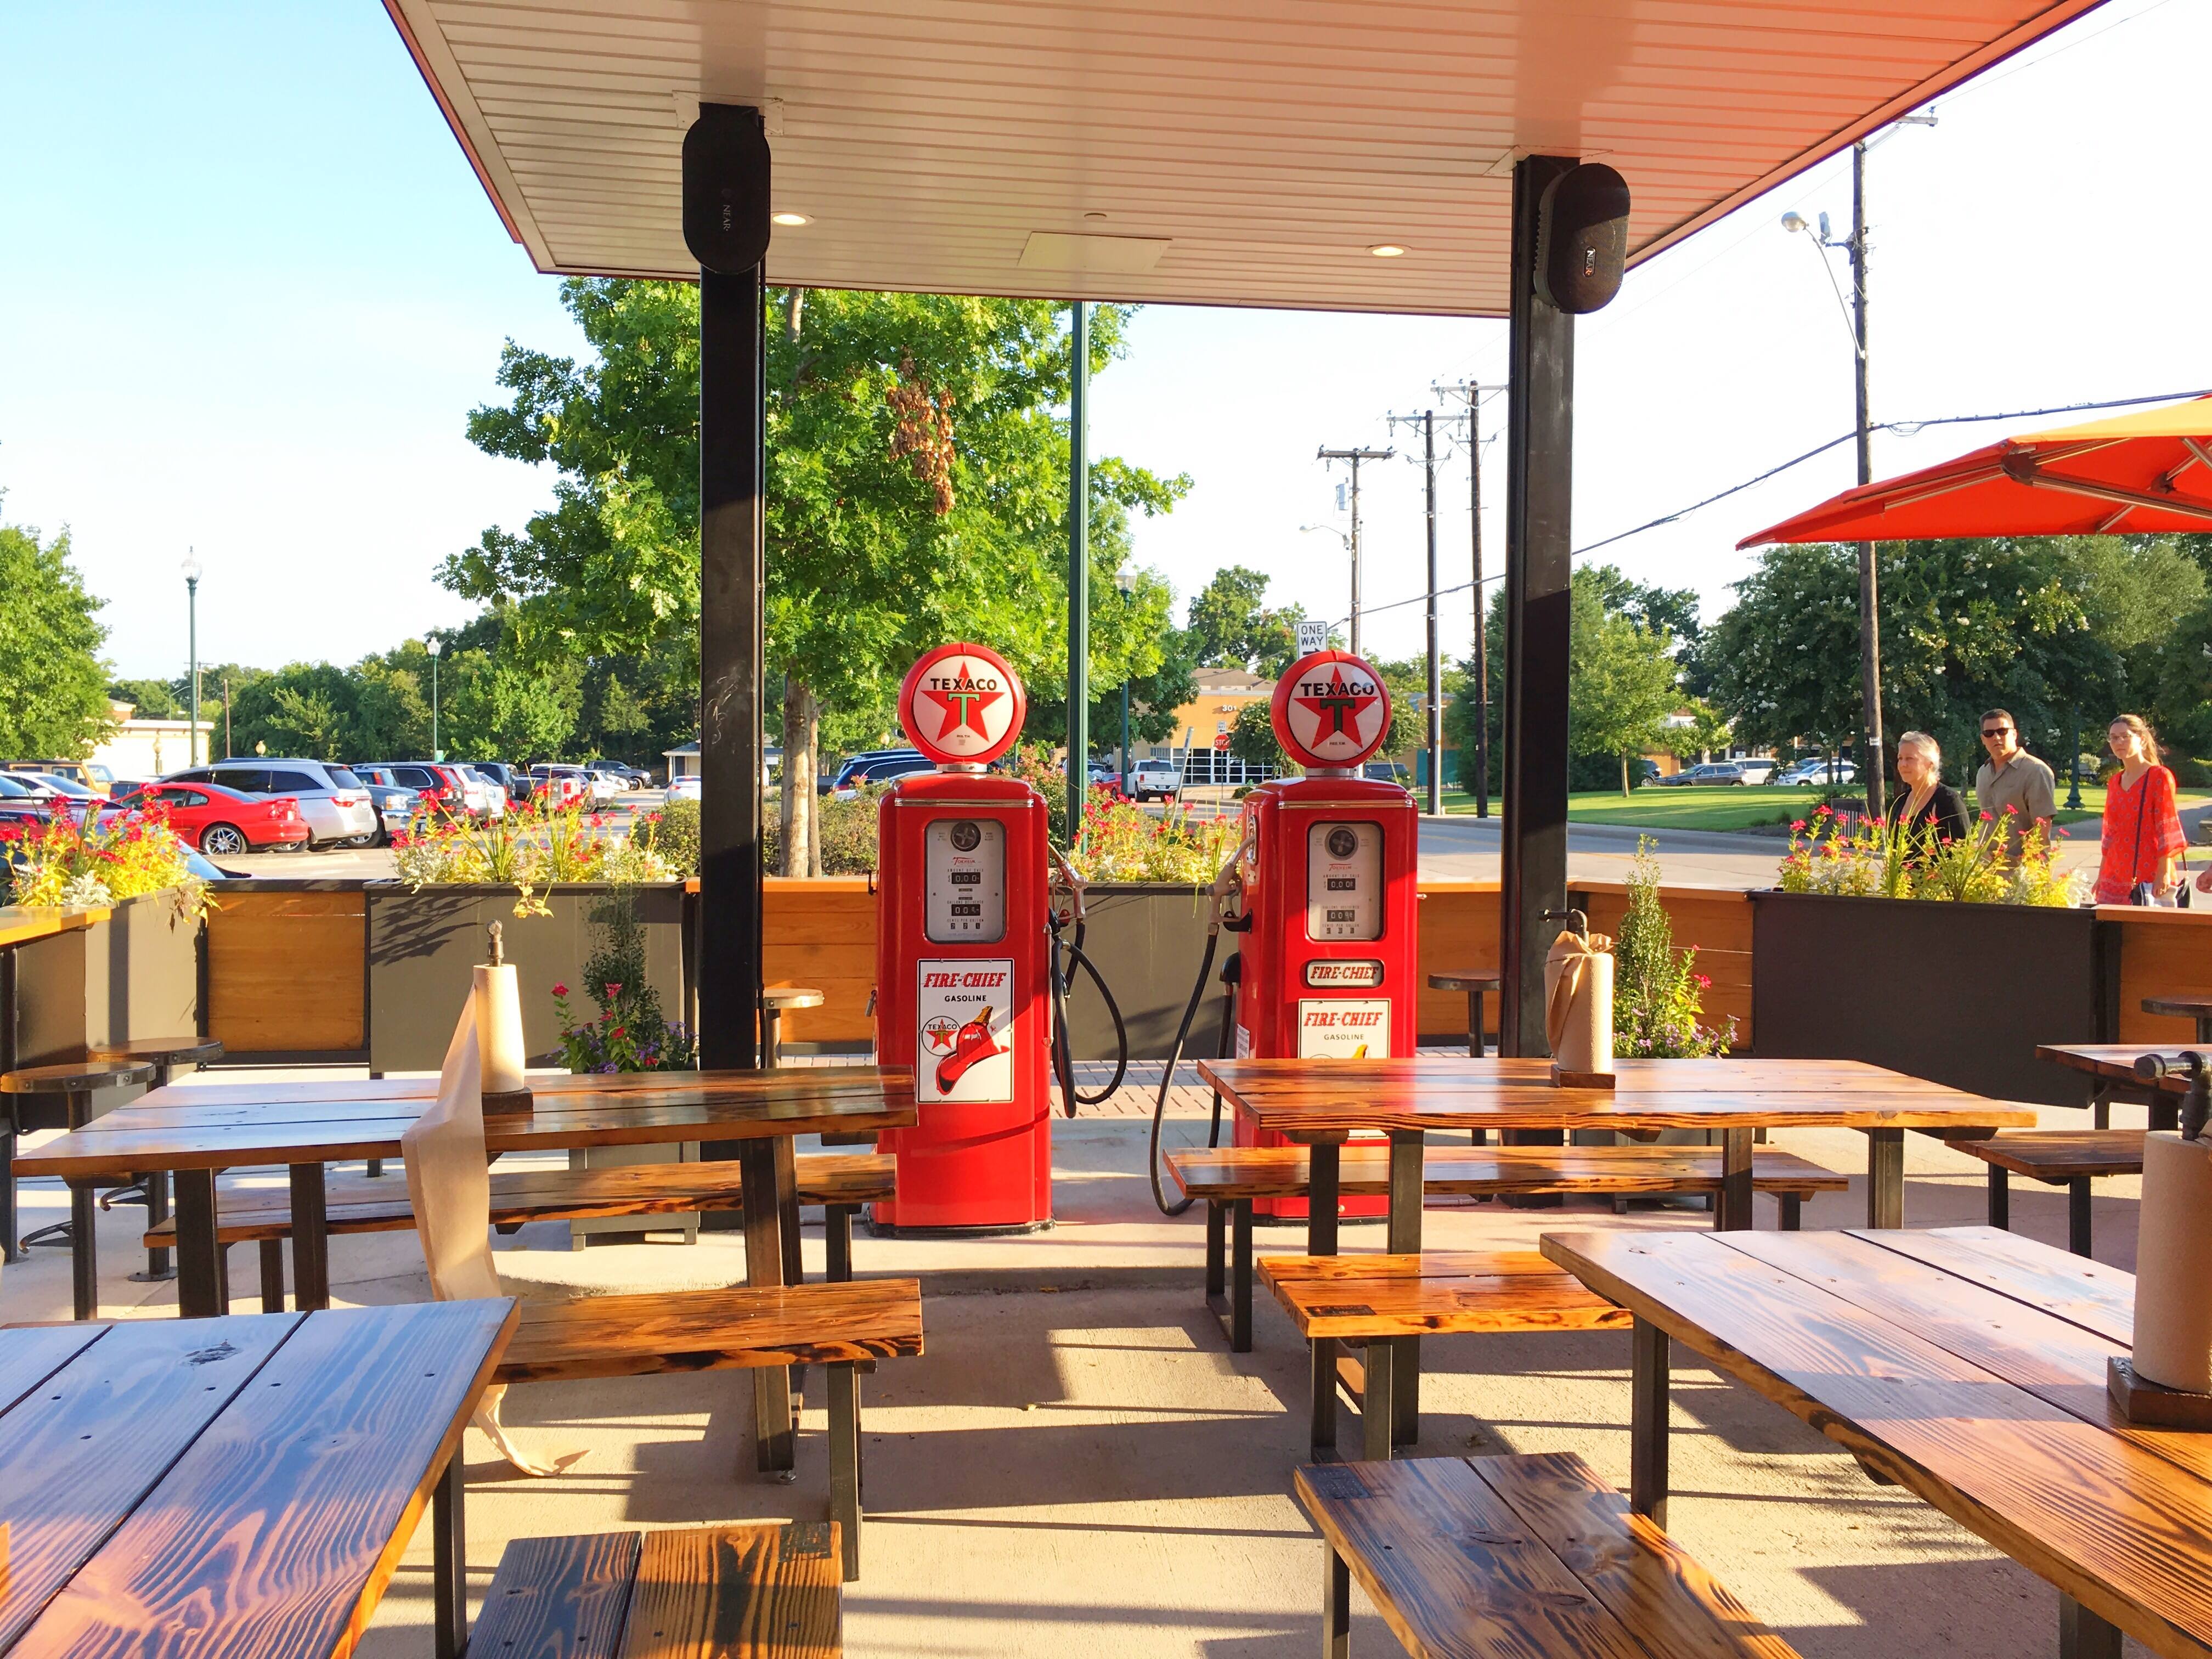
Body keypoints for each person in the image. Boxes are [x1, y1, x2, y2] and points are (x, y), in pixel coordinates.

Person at [2094, 713, 2185, 905]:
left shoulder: (2159, 776)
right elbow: (2109, 834)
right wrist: (2101, 876)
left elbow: (2166, 829)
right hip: (2115, 873)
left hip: (2148, 871)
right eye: (2113, 737)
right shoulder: (2115, 782)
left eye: (2125, 736)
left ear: (2142, 739)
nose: (2119, 742)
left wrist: (2164, 873)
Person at [1973, 707, 2056, 858]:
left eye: (2002, 731)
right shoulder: (1983, 773)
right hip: (1985, 866)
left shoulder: (2035, 771)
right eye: (1989, 733)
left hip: (2021, 867)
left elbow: (2042, 825)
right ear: (1983, 739)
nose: (1996, 737)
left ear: (2014, 734)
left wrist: (2028, 870)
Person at [1889, 731, 1968, 847]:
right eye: (1900, 758)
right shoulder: (1901, 801)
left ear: (1930, 764)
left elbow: (1963, 849)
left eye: (1910, 758)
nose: (1903, 764)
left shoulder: (1948, 800)